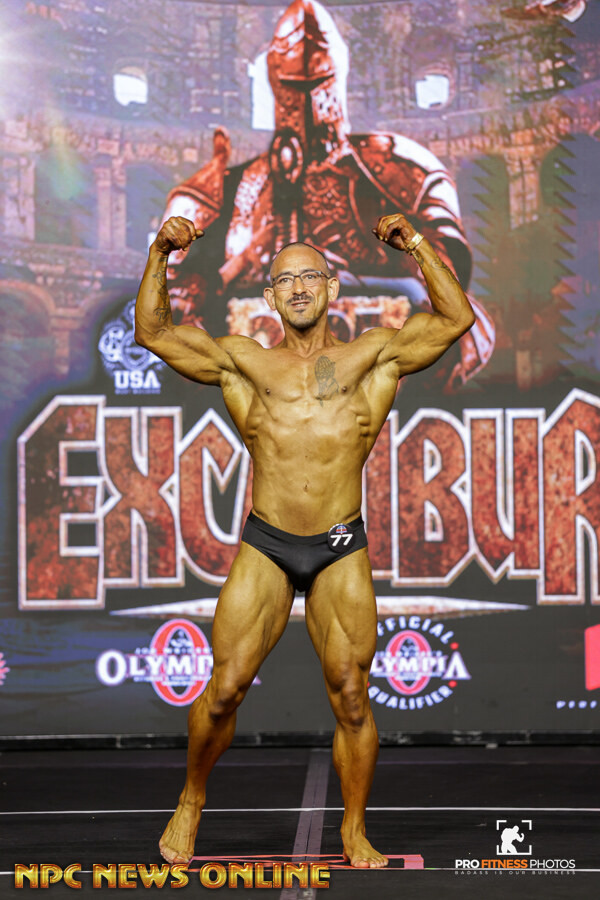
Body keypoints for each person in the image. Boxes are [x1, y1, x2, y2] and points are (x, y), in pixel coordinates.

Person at [134, 211, 475, 868]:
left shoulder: (373, 356)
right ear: (269, 296)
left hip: (339, 547)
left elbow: (455, 318)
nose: (297, 287)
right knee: (224, 689)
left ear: (331, 287)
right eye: (285, 279)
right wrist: (159, 252)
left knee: (352, 694)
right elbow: (153, 332)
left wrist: (415, 243)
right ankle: (192, 798)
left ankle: (354, 829)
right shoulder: (244, 362)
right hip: (268, 543)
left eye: (310, 276)